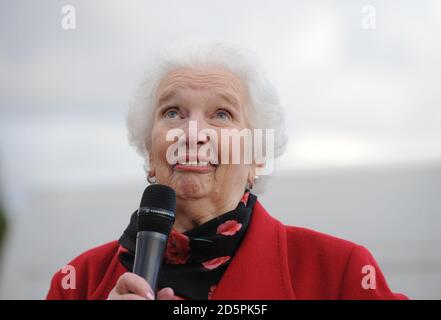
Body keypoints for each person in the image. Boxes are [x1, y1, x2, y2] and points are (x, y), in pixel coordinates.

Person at [46, 41, 407, 300]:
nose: (192, 133)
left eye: (222, 115)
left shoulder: (339, 272)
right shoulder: (79, 282)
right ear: (149, 151)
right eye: (173, 113)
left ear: (257, 157)